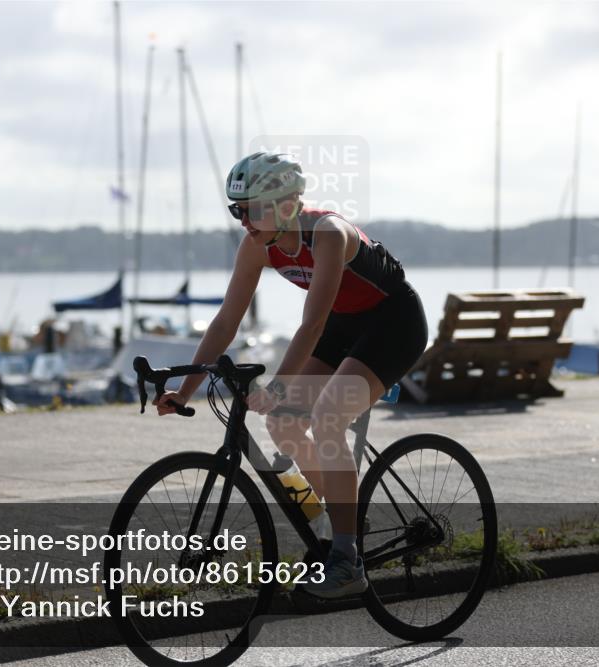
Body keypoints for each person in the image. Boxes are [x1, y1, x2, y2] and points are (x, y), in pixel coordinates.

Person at [154, 151, 428, 598]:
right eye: (236, 209)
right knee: (283, 420)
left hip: (392, 324)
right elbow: (226, 322)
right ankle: (339, 525)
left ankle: (346, 560)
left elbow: (312, 324)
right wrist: (185, 390)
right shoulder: (258, 243)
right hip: (344, 323)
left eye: (250, 209)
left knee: (327, 418)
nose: (242, 220)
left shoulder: (328, 234)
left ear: (285, 205)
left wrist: (279, 383)